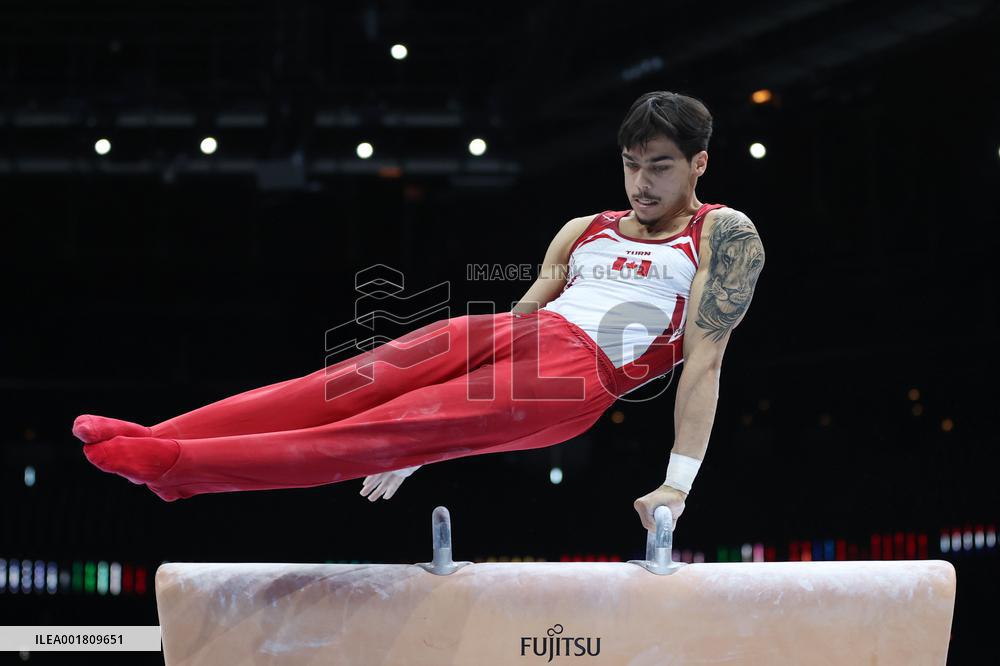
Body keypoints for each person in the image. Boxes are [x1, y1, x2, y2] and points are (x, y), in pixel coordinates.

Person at [73, 91, 765, 532]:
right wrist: (426, 443)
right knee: (338, 387)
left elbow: (704, 362)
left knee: (366, 432)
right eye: (631, 164)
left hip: (577, 377)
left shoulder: (723, 233)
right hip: (511, 334)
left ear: (699, 163)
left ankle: (178, 470)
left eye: (661, 167)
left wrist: (677, 486)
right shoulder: (585, 226)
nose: (641, 183)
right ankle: (157, 435)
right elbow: (524, 315)